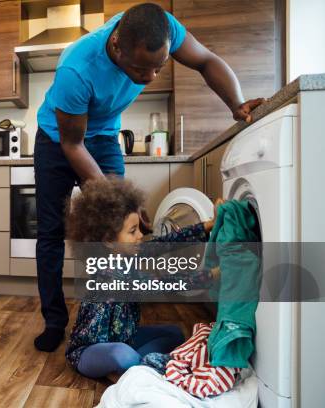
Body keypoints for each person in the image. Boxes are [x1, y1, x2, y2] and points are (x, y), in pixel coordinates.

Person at [33, 2, 264, 352]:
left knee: (128, 228)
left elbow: (206, 61)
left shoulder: (163, 28)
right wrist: (116, 200)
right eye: (141, 68)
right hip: (59, 140)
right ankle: (55, 322)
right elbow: (73, 143)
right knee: (52, 231)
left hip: (104, 137)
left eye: (159, 66)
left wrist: (237, 104)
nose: (150, 77)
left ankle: (114, 314)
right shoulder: (77, 69)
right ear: (116, 48)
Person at [64, 177, 218, 378]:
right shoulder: (108, 274)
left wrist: (208, 225)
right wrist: (212, 275)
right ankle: (134, 367)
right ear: (109, 241)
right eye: (132, 231)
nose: (139, 236)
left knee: (175, 333)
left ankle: (132, 369)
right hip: (89, 351)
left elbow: (166, 242)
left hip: (125, 337)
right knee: (121, 354)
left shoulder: (128, 251)